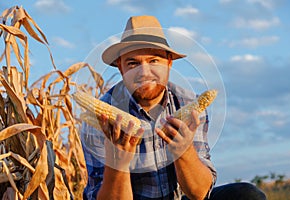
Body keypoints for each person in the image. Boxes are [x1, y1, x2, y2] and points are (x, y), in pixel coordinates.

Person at [81, 15, 266, 200]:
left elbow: (199, 194)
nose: (144, 72)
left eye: (154, 61)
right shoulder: (99, 120)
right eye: (133, 63)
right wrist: (118, 164)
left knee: (246, 195)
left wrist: (183, 150)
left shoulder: (188, 104)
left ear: (169, 62)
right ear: (121, 68)